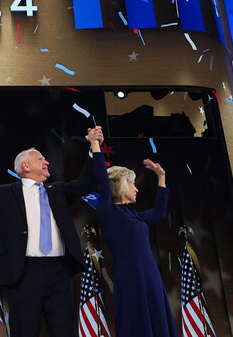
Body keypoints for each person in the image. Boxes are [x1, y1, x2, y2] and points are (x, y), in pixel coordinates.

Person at [0, 127, 100, 337]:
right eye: (41, 158)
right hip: (24, 274)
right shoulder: (6, 194)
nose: (47, 162)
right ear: (26, 165)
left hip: (59, 272)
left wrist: (94, 146)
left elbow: (86, 183)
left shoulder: (58, 191)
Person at [89, 133, 177, 336]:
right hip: (130, 276)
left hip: (150, 274)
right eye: (132, 183)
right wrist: (95, 143)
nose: (136, 189)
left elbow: (158, 212)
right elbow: (102, 178)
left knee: (158, 318)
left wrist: (161, 177)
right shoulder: (107, 211)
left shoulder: (134, 215)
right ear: (119, 184)